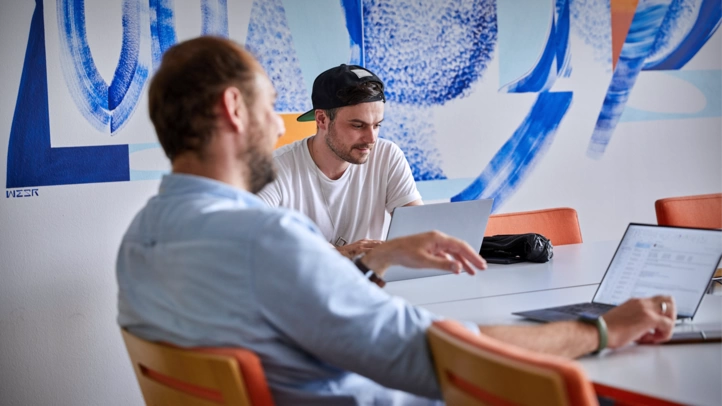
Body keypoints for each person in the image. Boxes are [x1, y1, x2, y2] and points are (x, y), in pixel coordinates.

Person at [117, 37, 678, 406]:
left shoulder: (143, 236)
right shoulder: (265, 240)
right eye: (270, 109)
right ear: (236, 111)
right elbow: (440, 359)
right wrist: (604, 328)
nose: (276, 124)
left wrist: (376, 258)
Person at [257, 64, 422, 258]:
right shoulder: (273, 168)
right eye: (358, 125)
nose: (371, 139)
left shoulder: (388, 155)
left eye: (377, 125)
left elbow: (419, 229)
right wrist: (338, 254)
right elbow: (253, 235)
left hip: (370, 285)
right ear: (322, 119)